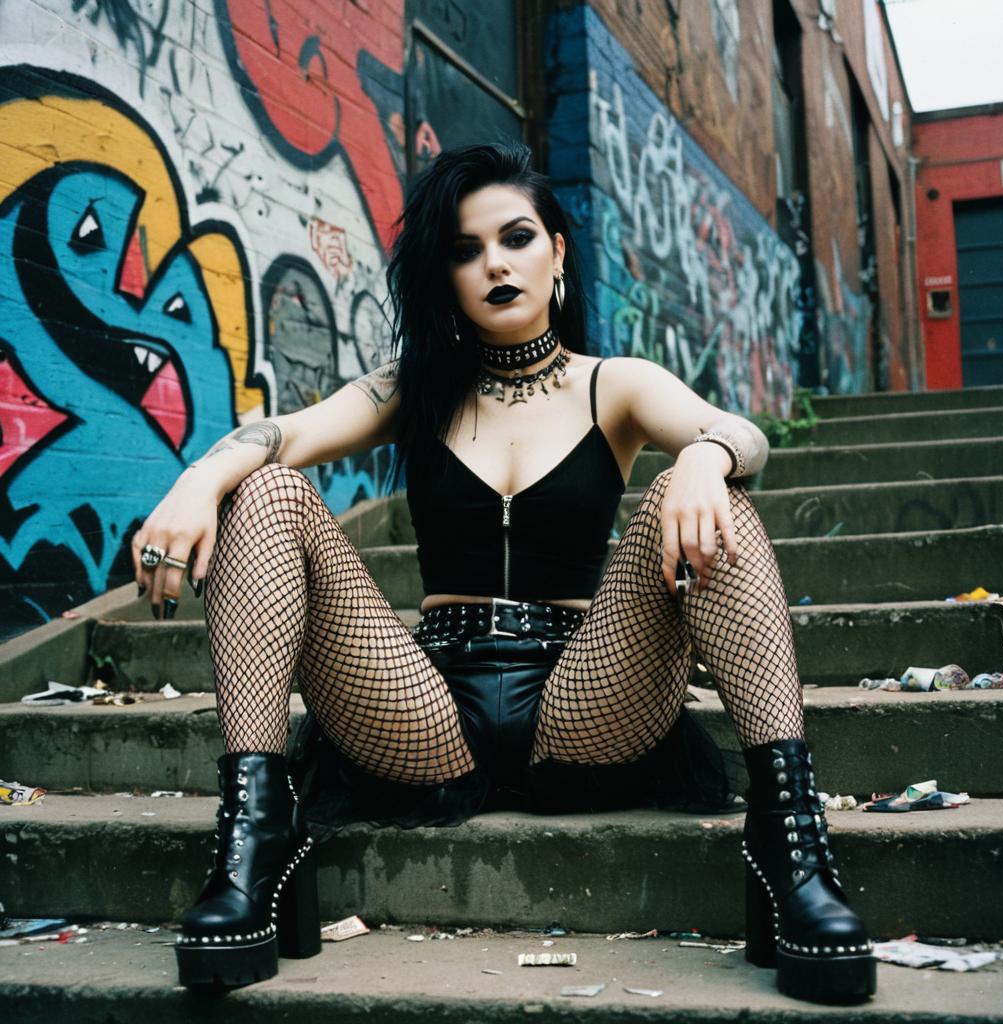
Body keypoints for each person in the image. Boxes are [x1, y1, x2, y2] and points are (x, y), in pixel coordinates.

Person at [133, 144, 875, 1004]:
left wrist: (706, 462)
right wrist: (196, 481)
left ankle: (791, 842)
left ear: (557, 251)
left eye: (516, 237)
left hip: (588, 698)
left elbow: (736, 431)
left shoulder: (616, 385)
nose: (493, 263)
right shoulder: (414, 391)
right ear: (445, 275)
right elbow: (283, 435)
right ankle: (253, 838)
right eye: (464, 249)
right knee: (265, 488)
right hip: (426, 709)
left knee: (705, 489)